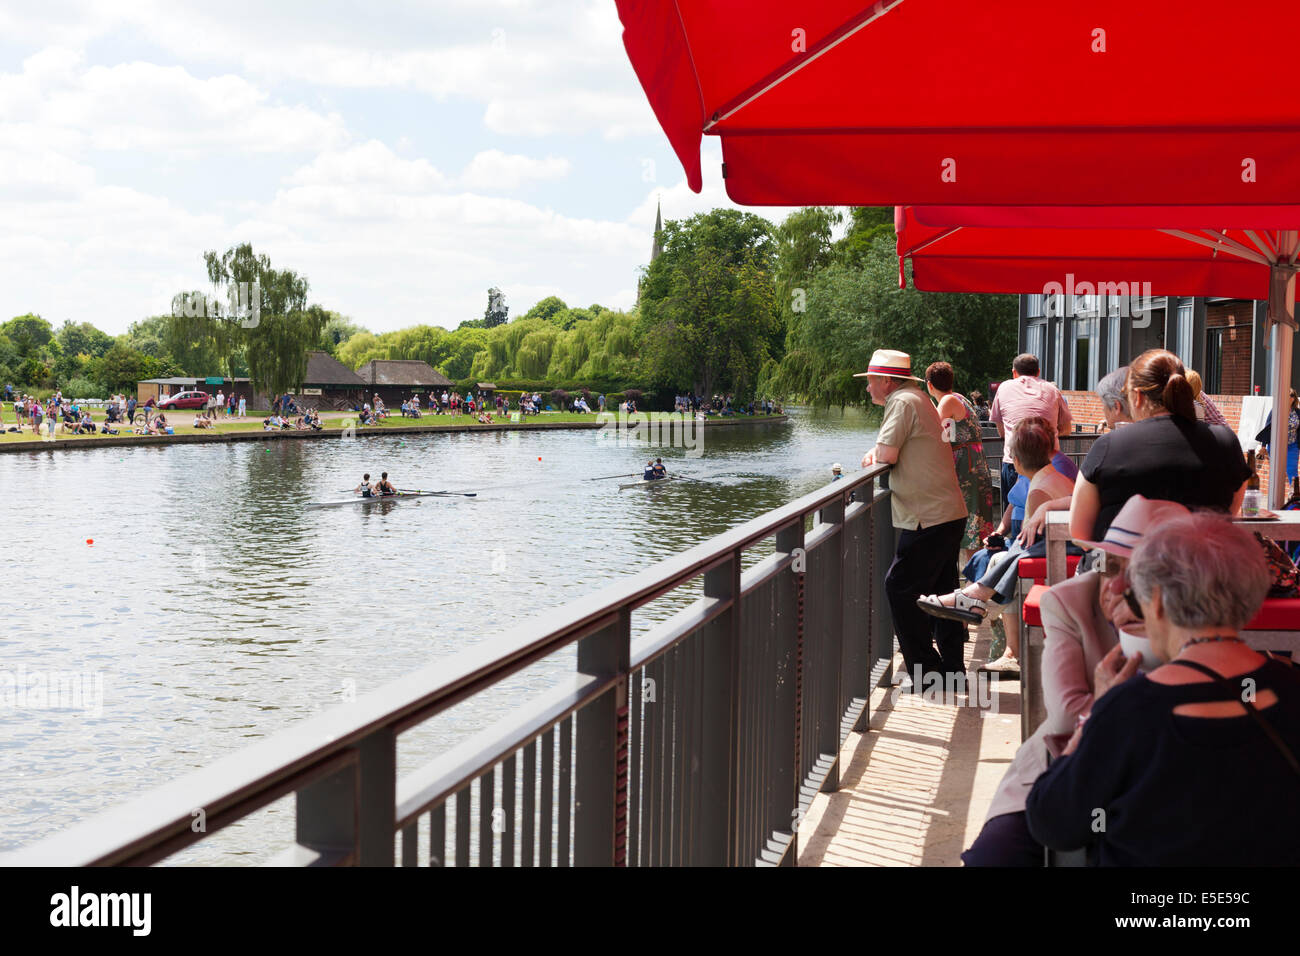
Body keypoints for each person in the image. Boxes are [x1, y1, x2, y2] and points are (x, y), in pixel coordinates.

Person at [1024, 511, 1300, 866]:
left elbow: (1053, 821)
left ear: (1154, 602)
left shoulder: (1128, 709)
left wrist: (1093, 715)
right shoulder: (1291, 690)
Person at [961, 496, 1192, 866]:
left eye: (1139, 575)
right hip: (1064, 759)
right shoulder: (1069, 601)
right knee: (995, 856)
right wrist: (1112, 705)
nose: (1116, 587)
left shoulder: (1201, 610)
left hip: (1170, 769)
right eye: (1109, 567)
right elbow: (1066, 717)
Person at [918, 417, 1082, 673]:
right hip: (1059, 551)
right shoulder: (1051, 478)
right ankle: (975, 600)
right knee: (996, 556)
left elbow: (1032, 542)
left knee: (997, 558)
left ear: (1015, 460)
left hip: (1055, 559)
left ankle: (975, 597)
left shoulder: (1039, 489)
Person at [858, 349, 969, 690]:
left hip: (927, 516)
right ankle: (952, 673)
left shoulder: (902, 402)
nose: (868, 389)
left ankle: (928, 674)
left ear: (886, 381)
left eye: (871, 381)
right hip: (947, 512)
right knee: (943, 594)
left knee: (899, 587)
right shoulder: (917, 397)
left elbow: (887, 454)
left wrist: (873, 453)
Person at [1069, 349, 1251, 543]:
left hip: (1126, 568)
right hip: (1205, 567)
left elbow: (1080, 533)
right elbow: (1230, 511)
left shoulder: (1107, 446)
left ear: (1137, 396)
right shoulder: (1224, 440)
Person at [926, 361, 994, 561]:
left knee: (971, 523)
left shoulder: (946, 401)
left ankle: (976, 577)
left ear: (929, 384)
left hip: (967, 469)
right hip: (974, 464)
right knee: (975, 522)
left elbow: (932, 431)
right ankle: (977, 576)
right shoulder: (959, 397)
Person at [989, 353, 1073, 510]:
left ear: (1014, 372)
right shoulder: (1052, 389)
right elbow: (1067, 429)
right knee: (1048, 517)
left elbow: (1001, 431)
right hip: (1048, 462)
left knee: (1014, 510)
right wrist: (1045, 434)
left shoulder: (1004, 387)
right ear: (1038, 371)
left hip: (1015, 460)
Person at [1255, 388, 1300, 486]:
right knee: (1277, 471)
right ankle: (1275, 495)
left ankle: (1294, 496)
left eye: (1288, 396)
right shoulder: (1275, 411)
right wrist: (1263, 446)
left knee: (1292, 471)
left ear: (1292, 398)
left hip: (1292, 446)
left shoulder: (1297, 413)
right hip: (1276, 445)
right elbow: (1268, 428)